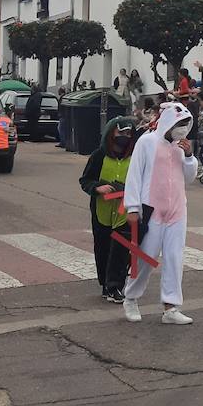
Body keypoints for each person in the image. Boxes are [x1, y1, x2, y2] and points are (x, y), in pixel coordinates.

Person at [122, 101, 197, 325]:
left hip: (177, 211)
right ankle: (131, 298)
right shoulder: (147, 141)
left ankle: (171, 307)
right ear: (168, 122)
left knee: (174, 258)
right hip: (151, 210)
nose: (182, 129)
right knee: (146, 256)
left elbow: (189, 178)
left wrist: (189, 156)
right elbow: (134, 174)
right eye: (179, 124)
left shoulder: (181, 147)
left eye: (185, 124)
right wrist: (132, 207)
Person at [78, 116, 137, 303]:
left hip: (124, 212)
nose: (124, 137)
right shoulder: (98, 156)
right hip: (102, 211)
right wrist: (97, 187)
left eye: (128, 133)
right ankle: (105, 283)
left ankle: (115, 286)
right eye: (121, 132)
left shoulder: (135, 158)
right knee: (103, 248)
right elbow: (85, 180)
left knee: (121, 250)